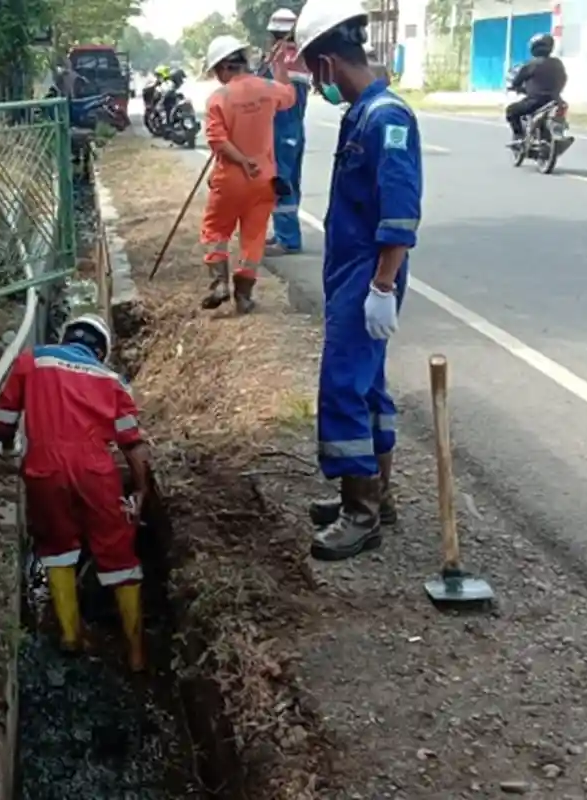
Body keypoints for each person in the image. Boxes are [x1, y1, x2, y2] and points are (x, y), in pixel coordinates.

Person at [294, 0, 423, 560]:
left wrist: (381, 288)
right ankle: (378, 494)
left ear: (325, 64)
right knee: (367, 386)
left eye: (310, 71)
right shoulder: (362, 111)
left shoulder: (385, 117)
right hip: (354, 272)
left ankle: (361, 513)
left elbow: (400, 212)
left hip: (369, 275)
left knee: (343, 385)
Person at [0, 314, 152, 673]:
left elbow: (4, 419)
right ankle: (137, 651)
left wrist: (6, 447)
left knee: (57, 547)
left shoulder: (33, 359)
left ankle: (70, 635)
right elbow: (133, 443)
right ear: (101, 350)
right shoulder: (112, 380)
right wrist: (141, 492)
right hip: (96, 471)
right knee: (117, 552)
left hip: (43, 468)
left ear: (66, 337)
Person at [199, 35, 296, 315]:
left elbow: (217, 141)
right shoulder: (268, 88)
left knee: (215, 230)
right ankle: (244, 296)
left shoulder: (219, 97)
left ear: (224, 67)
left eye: (218, 71)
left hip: (229, 180)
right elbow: (289, 96)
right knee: (253, 237)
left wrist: (241, 160)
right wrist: (280, 67)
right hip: (265, 180)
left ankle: (219, 283)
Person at [261, 7, 309, 257]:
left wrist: (274, 63)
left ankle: (289, 240)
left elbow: (281, 92)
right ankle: (283, 233)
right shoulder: (299, 55)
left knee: (281, 183)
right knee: (291, 183)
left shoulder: (286, 58)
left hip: (283, 129)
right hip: (294, 130)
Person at [505, 33, 566, 146]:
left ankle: (518, 137)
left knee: (511, 111)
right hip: (556, 100)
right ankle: (553, 133)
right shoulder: (558, 63)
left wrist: (515, 87)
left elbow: (516, 81)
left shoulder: (531, 64)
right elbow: (563, 79)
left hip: (535, 101)